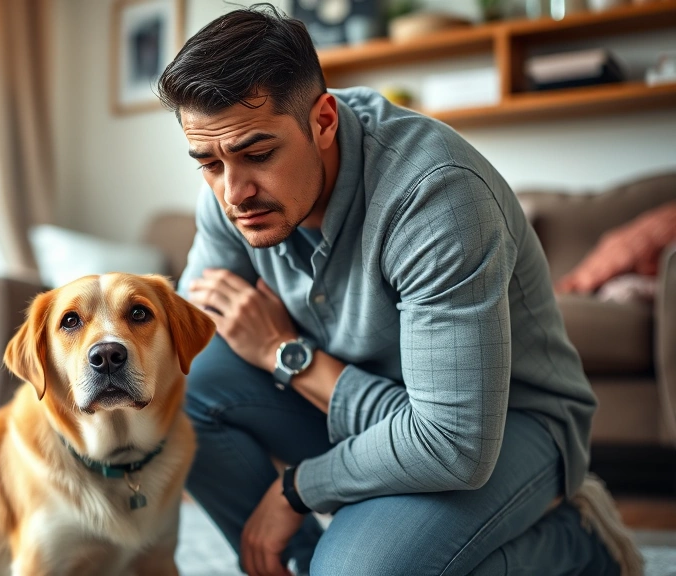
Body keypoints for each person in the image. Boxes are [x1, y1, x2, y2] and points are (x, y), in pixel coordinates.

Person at [157, 5, 641, 576]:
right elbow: (188, 338)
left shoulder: (436, 196)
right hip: (376, 410)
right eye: (208, 163)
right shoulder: (232, 188)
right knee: (184, 380)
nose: (233, 191)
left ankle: (578, 542)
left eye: (258, 155)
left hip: (504, 427)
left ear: (324, 121)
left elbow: (453, 445)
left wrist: (298, 484)